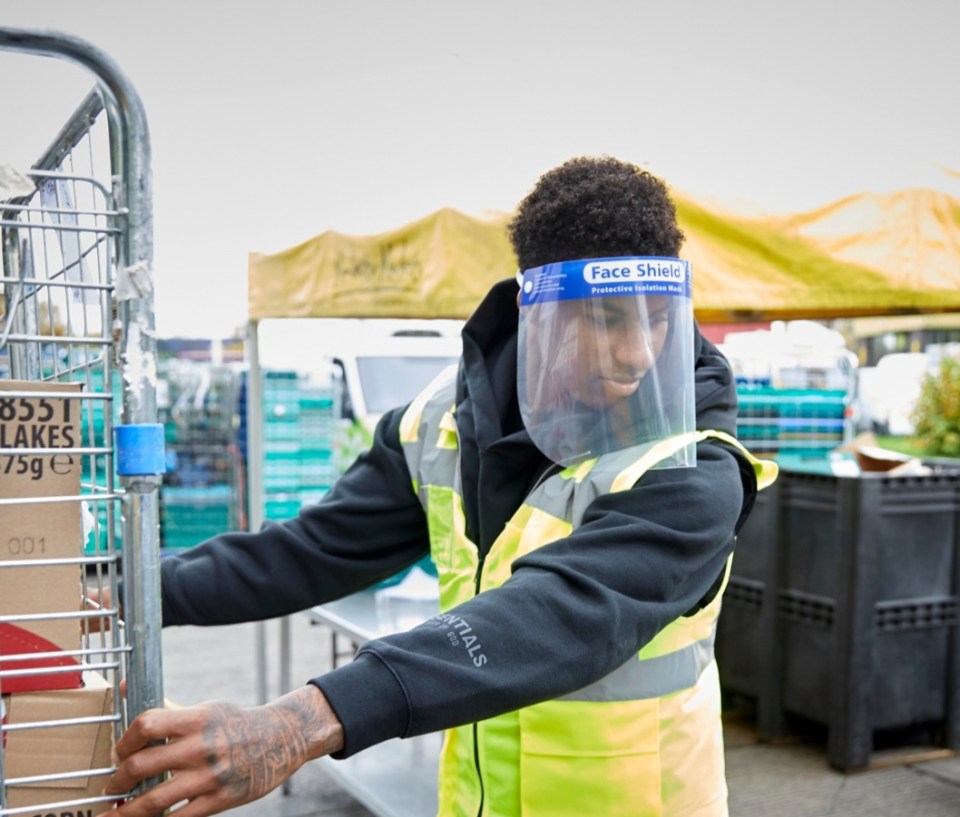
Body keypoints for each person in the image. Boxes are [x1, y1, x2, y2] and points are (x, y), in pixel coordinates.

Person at [105, 156, 777, 817]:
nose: (637, 353)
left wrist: (303, 720)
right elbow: (314, 549)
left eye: (657, 316)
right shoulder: (439, 425)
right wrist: (127, 594)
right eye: (607, 318)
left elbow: (558, 612)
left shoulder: (695, 466)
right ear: (535, 308)